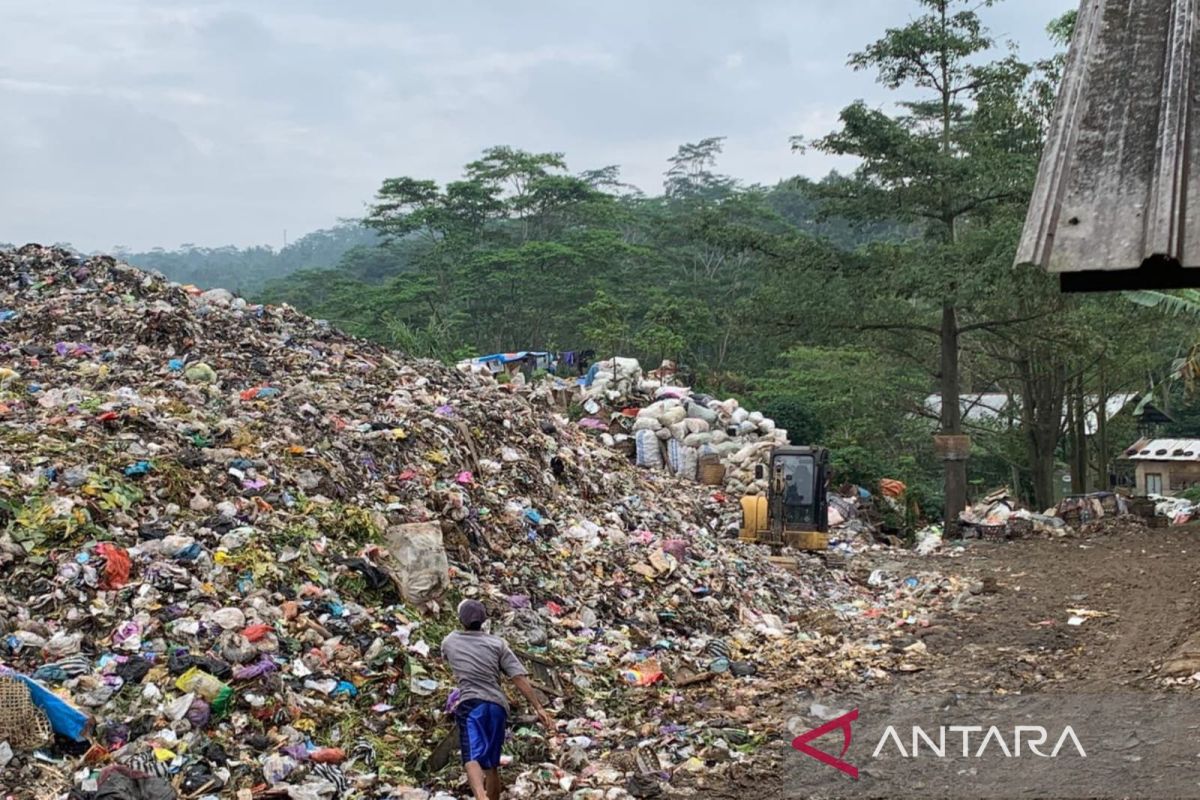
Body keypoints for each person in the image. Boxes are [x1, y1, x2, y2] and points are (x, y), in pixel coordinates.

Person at [442, 599, 555, 800]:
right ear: (484, 620)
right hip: (497, 707)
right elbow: (518, 677)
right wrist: (538, 707)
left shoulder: (450, 641)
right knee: (491, 764)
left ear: (461, 620)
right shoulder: (497, 644)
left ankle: (481, 797)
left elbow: (447, 659)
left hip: (471, 704)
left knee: (471, 758)